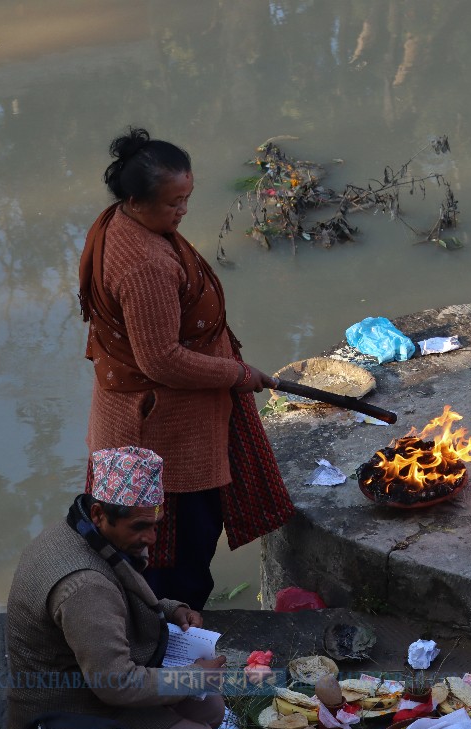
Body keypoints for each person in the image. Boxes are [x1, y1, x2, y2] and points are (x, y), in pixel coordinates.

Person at [79, 126, 294, 610]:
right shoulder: (145, 265)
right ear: (135, 201)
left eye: (187, 199)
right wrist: (240, 375)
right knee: (174, 555)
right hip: (163, 430)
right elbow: (161, 359)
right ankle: (169, 652)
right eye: (174, 203)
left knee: (144, 552)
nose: (183, 212)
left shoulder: (119, 221)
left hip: (132, 413)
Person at [6, 447, 228, 729]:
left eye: (156, 525)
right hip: (68, 709)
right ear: (99, 514)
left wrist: (171, 609)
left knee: (211, 709)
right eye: (140, 527)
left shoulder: (75, 531)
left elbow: (120, 597)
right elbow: (116, 684)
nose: (151, 539)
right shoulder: (84, 588)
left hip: (91, 679)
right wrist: (191, 679)